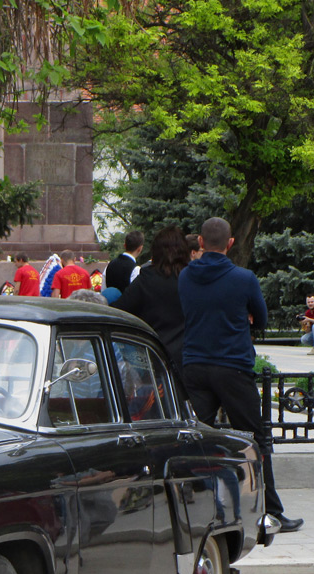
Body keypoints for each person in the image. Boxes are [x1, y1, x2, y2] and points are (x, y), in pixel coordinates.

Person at [179, 217, 302, 532]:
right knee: (254, 439)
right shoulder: (244, 278)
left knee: (200, 438)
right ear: (230, 243)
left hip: (194, 365)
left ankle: (199, 511)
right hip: (232, 366)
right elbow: (259, 319)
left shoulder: (184, 277)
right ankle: (269, 512)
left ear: (201, 244)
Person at [112, 225, 190, 373]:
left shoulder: (147, 280)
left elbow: (119, 310)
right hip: (188, 358)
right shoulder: (194, 279)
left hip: (154, 356)